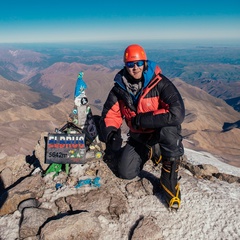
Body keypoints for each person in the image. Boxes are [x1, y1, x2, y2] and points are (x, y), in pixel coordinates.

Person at [100, 44, 185, 209]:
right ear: (125, 65)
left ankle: (169, 178)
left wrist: (142, 120)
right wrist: (111, 134)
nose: (135, 68)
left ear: (145, 63)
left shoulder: (160, 83)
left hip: (160, 133)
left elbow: (177, 112)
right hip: (139, 136)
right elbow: (110, 114)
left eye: (139, 63)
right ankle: (151, 150)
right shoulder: (119, 89)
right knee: (126, 172)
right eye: (130, 64)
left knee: (170, 129)